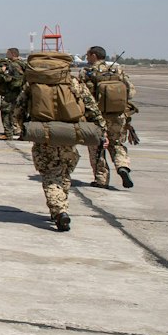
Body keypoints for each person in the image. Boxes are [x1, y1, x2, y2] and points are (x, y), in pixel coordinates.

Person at [17, 50, 104, 231]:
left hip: (44, 134)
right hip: (70, 134)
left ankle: (59, 210)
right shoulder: (74, 83)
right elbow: (91, 108)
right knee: (64, 171)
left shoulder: (33, 84)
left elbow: (19, 108)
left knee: (50, 174)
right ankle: (61, 204)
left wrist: (26, 129)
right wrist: (100, 130)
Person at [83, 45, 138, 189]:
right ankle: (122, 166)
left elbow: (81, 95)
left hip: (96, 116)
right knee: (117, 144)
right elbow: (131, 92)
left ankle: (102, 179)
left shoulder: (87, 72)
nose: (86, 57)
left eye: (88, 55)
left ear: (94, 55)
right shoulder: (117, 70)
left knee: (97, 147)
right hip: (118, 116)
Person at [0, 48, 27, 139]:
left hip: (12, 92)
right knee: (20, 113)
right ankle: (24, 134)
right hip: (22, 92)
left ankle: (8, 133)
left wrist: (3, 73)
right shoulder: (23, 64)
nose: (6, 54)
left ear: (12, 54)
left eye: (8, 53)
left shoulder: (12, 65)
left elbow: (11, 79)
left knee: (5, 111)